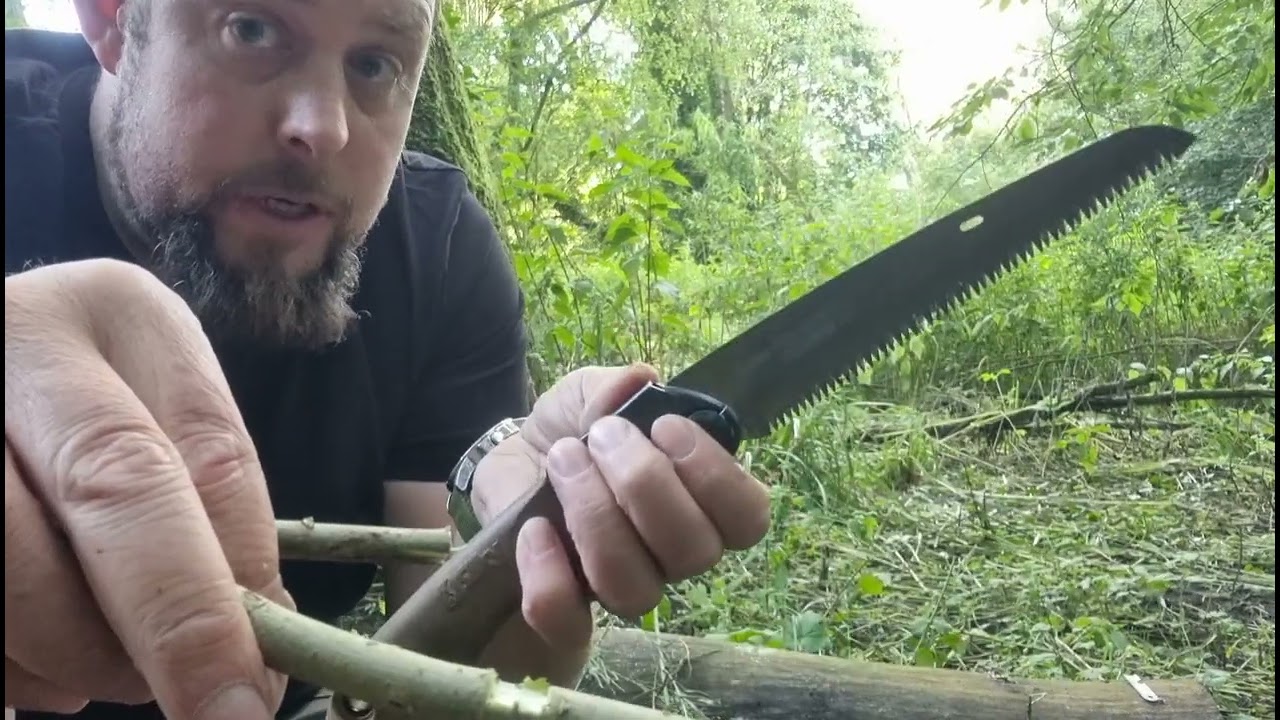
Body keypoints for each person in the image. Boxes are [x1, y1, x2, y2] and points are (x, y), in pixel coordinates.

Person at [3, 1, 772, 719]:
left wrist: (517, 549)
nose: (322, 127)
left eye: (373, 65)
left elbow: (440, 673)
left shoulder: (436, 251)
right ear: (112, 18)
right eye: (252, 31)